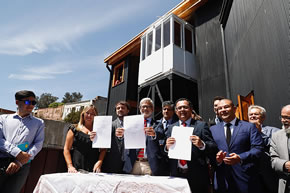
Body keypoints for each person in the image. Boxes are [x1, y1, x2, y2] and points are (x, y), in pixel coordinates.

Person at [210, 98, 263, 193]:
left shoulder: (249, 127)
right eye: (220, 108)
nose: (223, 110)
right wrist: (217, 159)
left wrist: (240, 157)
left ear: (234, 109)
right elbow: (210, 151)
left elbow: (258, 149)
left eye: (226, 107)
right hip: (222, 180)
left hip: (245, 178)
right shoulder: (212, 129)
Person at [165, 98, 218, 193]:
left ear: (191, 109)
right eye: (179, 108)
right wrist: (167, 147)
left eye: (185, 107)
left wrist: (202, 145)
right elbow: (166, 151)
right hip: (177, 174)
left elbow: (213, 146)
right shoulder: (171, 128)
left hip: (197, 175)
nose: (182, 110)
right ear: (176, 111)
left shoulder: (201, 126)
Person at [0, 90, 45, 193]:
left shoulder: (39, 123)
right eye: (27, 102)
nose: (31, 105)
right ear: (17, 102)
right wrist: (17, 152)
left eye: (33, 103)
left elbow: (38, 144)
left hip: (22, 166)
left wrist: (19, 161)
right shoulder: (3, 119)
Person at [123, 98, 161, 175]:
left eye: (148, 106)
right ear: (140, 109)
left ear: (152, 109)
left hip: (149, 164)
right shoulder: (131, 123)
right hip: (133, 163)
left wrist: (154, 135)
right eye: (143, 107)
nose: (145, 108)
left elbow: (161, 139)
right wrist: (121, 135)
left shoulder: (158, 124)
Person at [63, 105, 106, 173]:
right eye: (87, 113)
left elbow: (103, 150)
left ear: (96, 116)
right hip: (76, 169)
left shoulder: (99, 131)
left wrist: (99, 163)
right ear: (83, 114)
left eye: (92, 114)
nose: (89, 115)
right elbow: (66, 149)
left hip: (93, 170)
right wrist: (70, 166)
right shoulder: (74, 129)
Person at [248, 105, 279, 193]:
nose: (253, 116)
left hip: (268, 171)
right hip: (251, 173)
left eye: (256, 114)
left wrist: (259, 133)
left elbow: (275, 146)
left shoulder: (274, 131)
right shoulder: (242, 131)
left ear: (263, 117)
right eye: (251, 114)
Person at [101, 101, 130, 173]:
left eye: (123, 108)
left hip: (129, 161)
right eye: (118, 108)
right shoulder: (110, 125)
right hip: (113, 162)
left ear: (128, 110)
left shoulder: (134, 125)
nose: (120, 109)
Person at [270, 104, 290, 193]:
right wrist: (284, 164)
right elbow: (273, 159)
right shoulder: (276, 136)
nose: (283, 120)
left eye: (287, 118)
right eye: (282, 117)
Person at [154, 101, 177, 175]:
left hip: (172, 160)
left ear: (173, 111)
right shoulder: (155, 124)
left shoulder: (177, 125)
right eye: (164, 109)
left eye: (169, 109)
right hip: (158, 160)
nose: (166, 111)